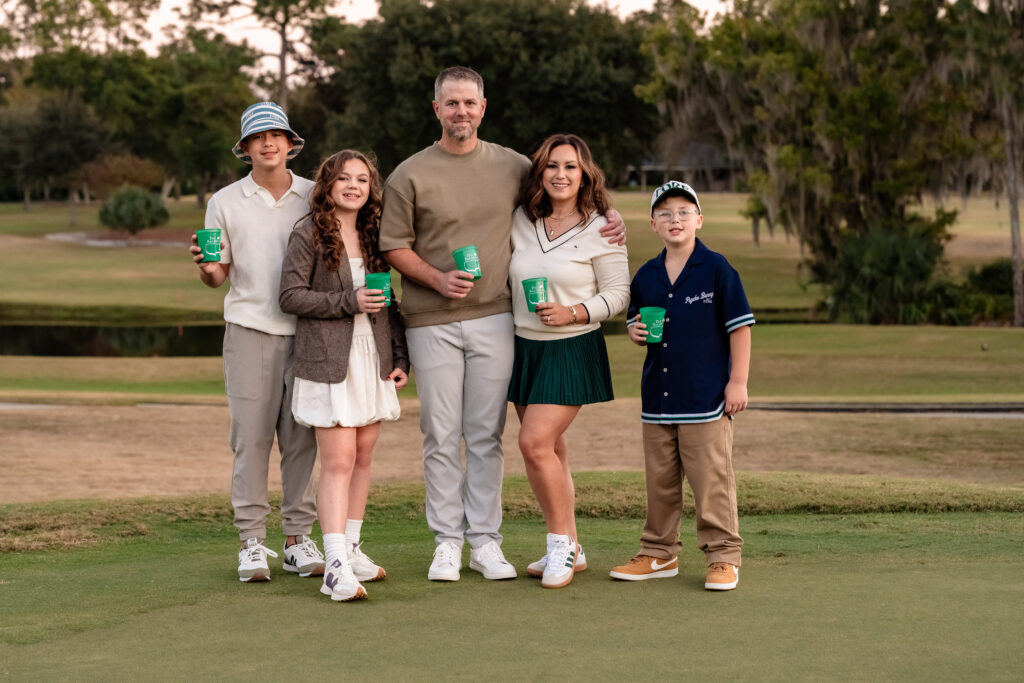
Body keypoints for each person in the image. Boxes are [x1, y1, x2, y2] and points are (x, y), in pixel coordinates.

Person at [379, 66, 626, 582]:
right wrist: (436, 279)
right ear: (437, 109)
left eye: (470, 102)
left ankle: (486, 543)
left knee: (487, 435)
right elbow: (393, 245)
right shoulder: (409, 173)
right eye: (452, 103)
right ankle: (447, 542)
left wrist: (610, 212)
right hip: (430, 321)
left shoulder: (514, 167)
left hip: (496, 318)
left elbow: (569, 188)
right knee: (440, 433)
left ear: (483, 108)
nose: (461, 111)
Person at [190, 102, 325, 582]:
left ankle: (297, 540)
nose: (269, 143)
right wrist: (208, 271)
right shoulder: (224, 202)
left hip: (309, 332)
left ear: (291, 144)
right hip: (250, 331)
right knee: (250, 440)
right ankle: (251, 542)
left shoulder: (316, 195)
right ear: (246, 149)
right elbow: (218, 275)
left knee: (302, 438)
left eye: (277, 135)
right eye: (258, 137)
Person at [609, 181, 754, 591]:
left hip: (706, 397)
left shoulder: (717, 268)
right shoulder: (647, 275)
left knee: (712, 482)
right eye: (666, 213)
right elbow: (637, 322)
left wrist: (737, 383)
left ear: (699, 220)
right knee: (660, 483)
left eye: (684, 212)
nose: (676, 220)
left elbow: (740, 329)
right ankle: (658, 553)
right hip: (657, 399)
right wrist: (635, 331)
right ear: (653, 224)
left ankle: (724, 556)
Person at [279, 150, 410, 602]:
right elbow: (291, 296)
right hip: (327, 360)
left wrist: (399, 357)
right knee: (337, 461)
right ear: (328, 185)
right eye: (344, 179)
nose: (354, 186)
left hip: (370, 360)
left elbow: (389, 305)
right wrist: (348, 302)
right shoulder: (309, 233)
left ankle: (351, 549)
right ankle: (334, 567)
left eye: (362, 179)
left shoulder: (375, 236)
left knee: (363, 457)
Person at [507, 134, 629, 589]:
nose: (561, 174)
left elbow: (618, 294)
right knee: (552, 450)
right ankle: (571, 547)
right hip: (525, 346)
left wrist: (574, 312)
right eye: (552, 166)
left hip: (573, 346)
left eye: (571, 167)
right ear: (540, 173)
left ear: (585, 175)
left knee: (534, 443)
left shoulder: (604, 227)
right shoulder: (521, 219)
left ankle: (560, 543)